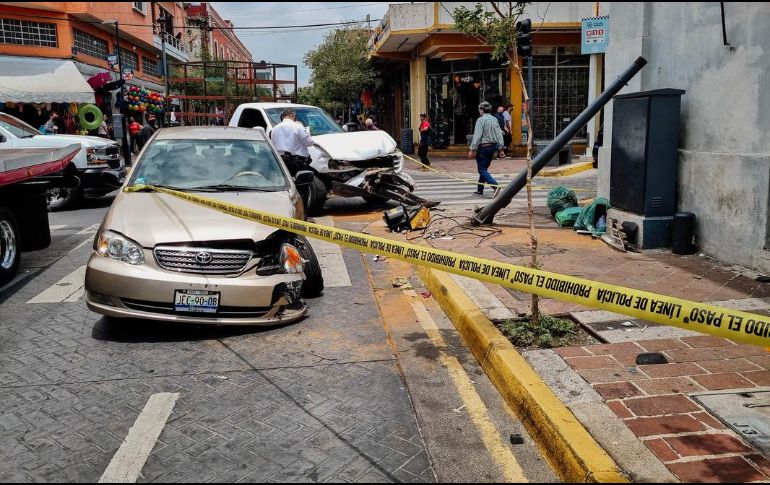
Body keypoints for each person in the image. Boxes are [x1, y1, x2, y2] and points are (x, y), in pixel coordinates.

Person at [468, 101, 504, 197]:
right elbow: (499, 134)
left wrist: (472, 149)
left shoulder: (481, 120)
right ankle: (480, 189)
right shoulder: (494, 119)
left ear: (482, 110)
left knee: (482, 170)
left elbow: (477, 136)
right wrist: (501, 149)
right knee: (484, 169)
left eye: (480, 109)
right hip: (492, 148)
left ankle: (495, 186)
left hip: (483, 148)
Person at [269, 107, 314, 175]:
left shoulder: (274, 129)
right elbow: (309, 143)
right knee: (302, 184)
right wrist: (307, 132)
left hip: (280, 162)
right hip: (297, 163)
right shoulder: (298, 126)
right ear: (292, 115)